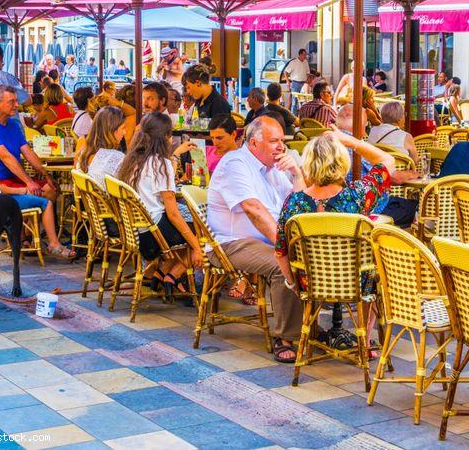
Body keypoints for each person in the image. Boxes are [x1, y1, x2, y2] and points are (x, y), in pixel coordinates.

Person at [274, 130, 396, 353]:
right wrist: (352, 142)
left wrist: (293, 284)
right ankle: (365, 341)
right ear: (343, 162)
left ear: (308, 164)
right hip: (354, 283)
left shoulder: (294, 202)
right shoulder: (358, 195)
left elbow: (280, 252)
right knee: (373, 268)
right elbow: (388, 161)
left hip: (310, 283)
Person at [207, 116, 305, 362]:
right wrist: (284, 247)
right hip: (231, 243)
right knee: (283, 265)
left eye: (282, 141)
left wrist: (297, 172)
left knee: (310, 258)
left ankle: (308, 326)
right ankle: (286, 337)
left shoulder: (273, 168)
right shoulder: (236, 164)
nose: (281, 147)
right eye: (274, 141)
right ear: (253, 143)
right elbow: (254, 210)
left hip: (262, 240)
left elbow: (300, 204)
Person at [0, 85, 78, 259]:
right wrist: (29, 181)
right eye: (12, 102)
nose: (17, 105)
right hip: (3, 184)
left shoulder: (12, 124)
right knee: (39, 193)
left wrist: (45, 174)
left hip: (15, 179)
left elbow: (27, 151)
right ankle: (41, 239)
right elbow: (7, 158)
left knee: (51, 189)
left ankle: (25, 231)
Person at [115, 112, 204, 295]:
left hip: (134, 232)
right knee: (202, 231)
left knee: (188, 226)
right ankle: (174, 274)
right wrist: (196, 247)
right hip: (152, 234)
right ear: (165, 138)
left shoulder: (131, 160)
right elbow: (172, 214)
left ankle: (163, 273)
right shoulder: (160, 164)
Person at [0, 121, 72, 258]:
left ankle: (27, 237)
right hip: (2, 202)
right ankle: (54, 243)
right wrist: (22, 191)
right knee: (46, 203)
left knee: (38, 196)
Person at [74, 106, 127, 187]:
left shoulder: (83, 153)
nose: (125, 132)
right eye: (123, 128)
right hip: (108, 199)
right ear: (112, 130)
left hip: (89, 199)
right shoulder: (116, 157)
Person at [368, 101, 420, 167]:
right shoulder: (406, 136)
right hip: (400, 173)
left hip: (377, 173)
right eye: (403, 115)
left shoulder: (373, 130)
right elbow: (415, 162)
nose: (404, 117)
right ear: (399, 119)